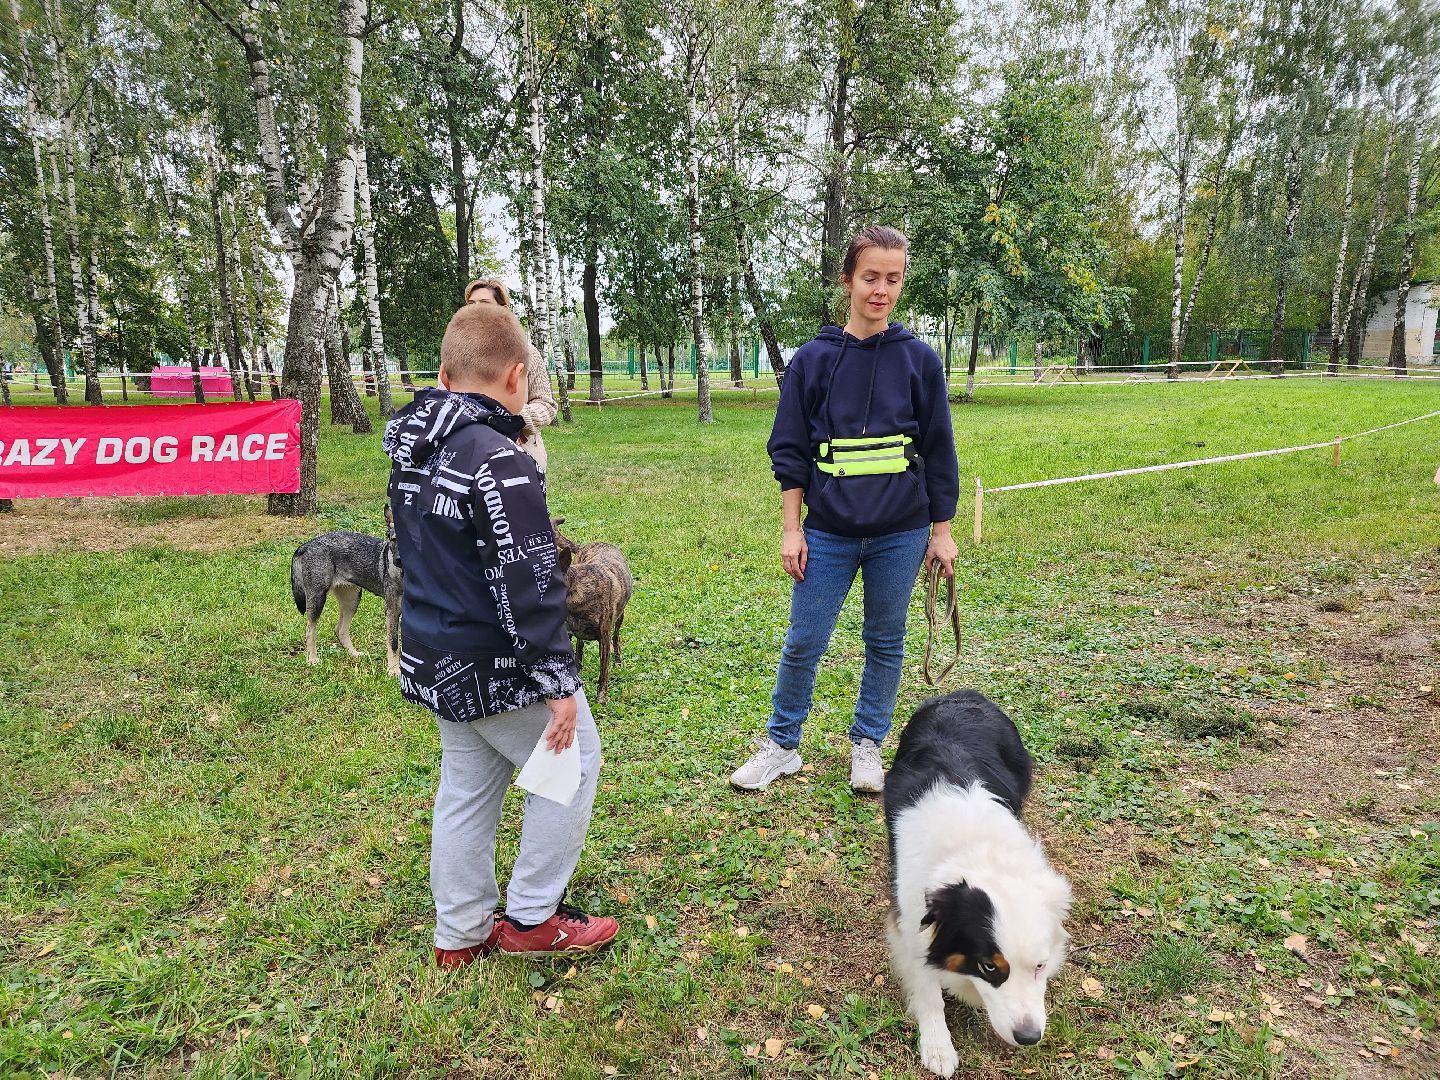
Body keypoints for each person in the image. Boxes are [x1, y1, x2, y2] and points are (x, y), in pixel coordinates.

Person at [384, 301, 617, 967]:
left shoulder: (411, 451)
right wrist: (558, 682)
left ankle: (459, 933)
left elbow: (403, 553)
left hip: (432, 654)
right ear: (519, 376)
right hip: (493, 664)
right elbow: (528, 579)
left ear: (444, 375)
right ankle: (533, 917)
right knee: (574, 763)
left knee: (466, 783)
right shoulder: (502, 460)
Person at [730, 225, 959, 795]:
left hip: (900, 533)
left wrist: (942, 531)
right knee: (804, 639)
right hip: (828, 532)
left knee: (886, 639)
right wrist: (792, 529)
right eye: (870, 278)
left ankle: (868, 744)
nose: (881, 290)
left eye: (893, 279)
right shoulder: (813, 360)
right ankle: (782, 745)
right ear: (848, 281)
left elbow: (937, 449)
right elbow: (790, 450)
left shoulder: (919, 361)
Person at [465, 277, 557, 472]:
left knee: (521, 503)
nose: (476, 309)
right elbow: (443, 400)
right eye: (471, 304)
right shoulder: (457, 355)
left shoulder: (526, 352)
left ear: (502, 309)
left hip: (520, 454)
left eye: (485, 303)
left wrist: (515, 417)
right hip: (469, 455)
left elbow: (546, 405)